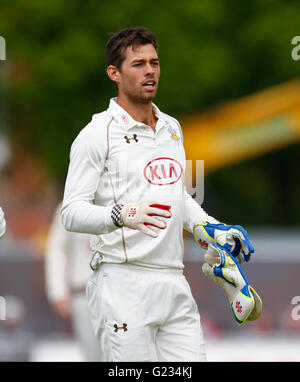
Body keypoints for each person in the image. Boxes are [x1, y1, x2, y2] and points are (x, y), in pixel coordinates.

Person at [61, 27, 254, 362]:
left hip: (172, 278)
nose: (149, 70)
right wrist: (123, 214)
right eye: (138, 64)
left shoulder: (171, 128)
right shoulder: (95, 134)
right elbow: (71, 213)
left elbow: (176, 193)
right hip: (122, 281)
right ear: (114, 73)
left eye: (154, 62)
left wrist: (208, 226)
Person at [45, 202, 101, 361]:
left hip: (123, 291)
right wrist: (58, 291)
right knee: (93, 355)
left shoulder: (125, 196)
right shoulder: (69, 205)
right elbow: (57, 250)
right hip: (83, 292)